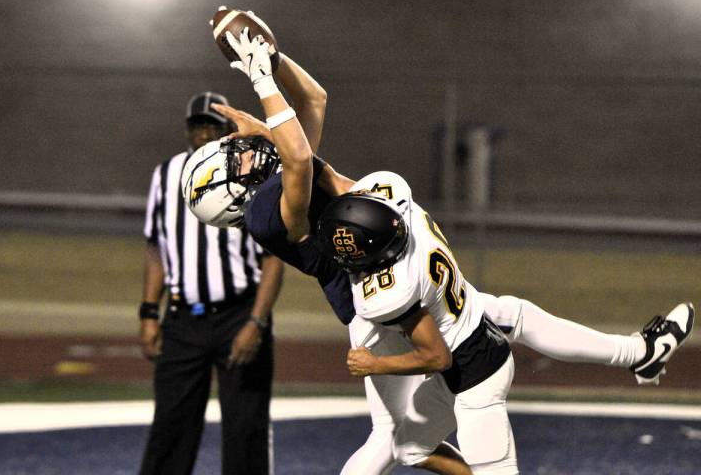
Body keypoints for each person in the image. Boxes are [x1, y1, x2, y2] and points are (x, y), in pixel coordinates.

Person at [186, 26, 694, 474]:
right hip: (377, 308)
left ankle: (639, 354)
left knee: (500, 323)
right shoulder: (267, 214)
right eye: (233, 157)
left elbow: (314, 100)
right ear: (230, 193)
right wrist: (263, 83)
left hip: (400, 272)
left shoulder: (280, 179)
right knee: (394, 440)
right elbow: (296, 154)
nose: (242, 147)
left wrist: (272, 58)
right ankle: (637, 356)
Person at [138, 91, 284, 475]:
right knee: (171, 425)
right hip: (183, 319)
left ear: (227, 130)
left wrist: (256, 322)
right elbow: (156, 248)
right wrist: (149, 312)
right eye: (197, 126)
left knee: (246, 429)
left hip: (239, 314)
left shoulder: (254, 173)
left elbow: (273, 259)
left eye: (212, 126)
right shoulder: (165, 175)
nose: (203, 134)